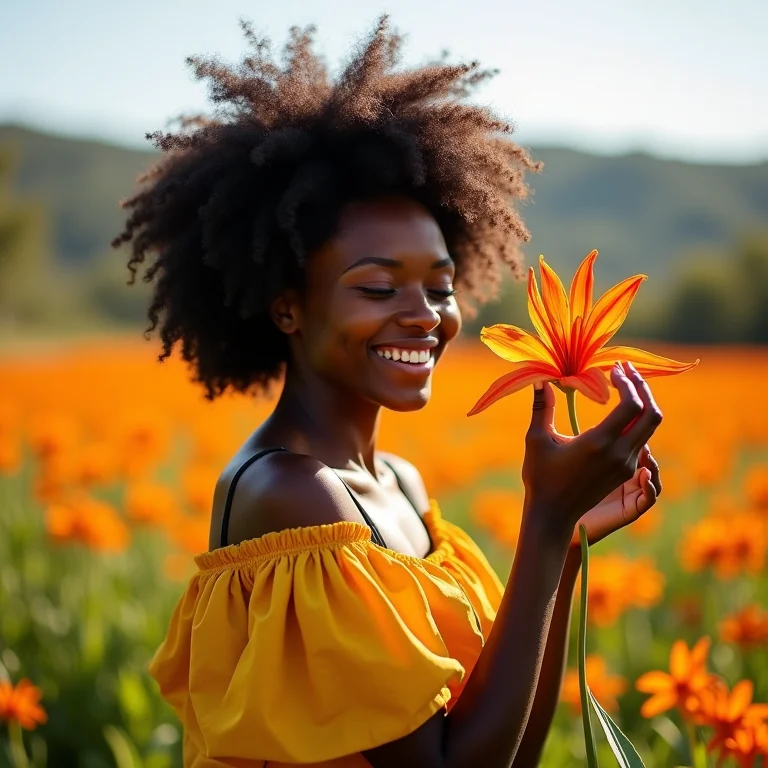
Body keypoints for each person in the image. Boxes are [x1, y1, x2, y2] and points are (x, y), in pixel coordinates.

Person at [113, 16, 662, 768]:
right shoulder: (290, 494)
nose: (425, 316)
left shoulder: (400, 485)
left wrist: (562, 546)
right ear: (287, 306)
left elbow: (502, 749)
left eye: (440, 287)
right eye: (376, 286)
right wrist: (541, 522)